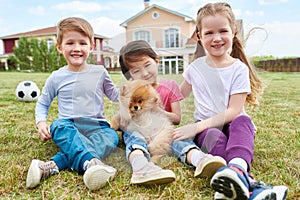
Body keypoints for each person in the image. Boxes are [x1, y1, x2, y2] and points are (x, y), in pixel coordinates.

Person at [172, 2, 288, 200]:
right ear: (199, 37)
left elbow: (234, 111)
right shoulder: (195, 68)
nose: (216, 38)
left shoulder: (238, 69)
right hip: (208, 132)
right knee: (214, 137)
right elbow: (177, 95)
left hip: (232, 124)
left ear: (233, 31)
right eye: (209, 33)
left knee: (243, 121)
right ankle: (252, 186)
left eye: (222, 31)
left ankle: (237, 170)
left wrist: (195, 127)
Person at [26, 17, 120, 191]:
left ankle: (50, 166)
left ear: (91, 47)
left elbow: (115, 96)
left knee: (112, 137)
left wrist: (132, 93)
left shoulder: (100, 72)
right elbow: (43, 103)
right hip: (69, 125)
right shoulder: (56, 77)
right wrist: (41, 122)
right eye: (70, 43)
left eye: (82, 43)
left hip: (97, 126)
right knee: (58, 125)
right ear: (59, 47)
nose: (77, 48)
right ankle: (90, 163)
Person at [118, 40, 226, 185]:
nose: (144, 73)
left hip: (163, 131)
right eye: (136, 71)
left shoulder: (170, 86)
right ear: (129, 76)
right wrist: (124, 118)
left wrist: (158, 111)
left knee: (179, 138)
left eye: (147, 65)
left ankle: (199, 159)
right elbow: (124, 114)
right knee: (133, 137)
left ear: (156, 61)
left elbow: (176, 119)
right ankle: (141, 167)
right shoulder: (130, 90)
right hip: (139, 129)